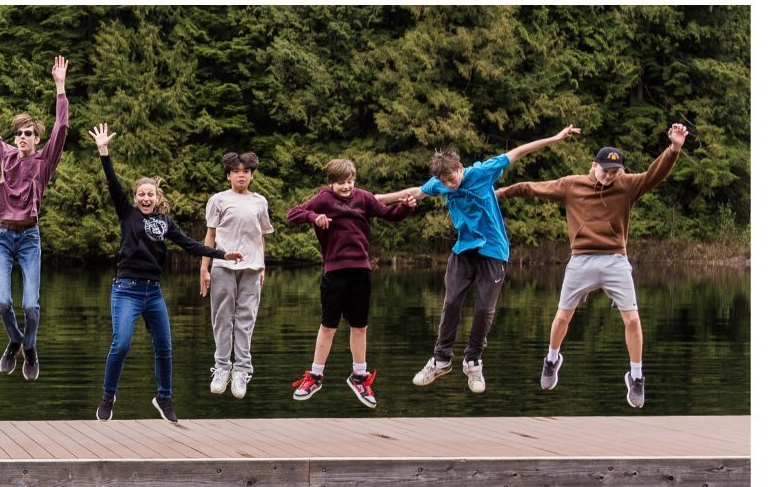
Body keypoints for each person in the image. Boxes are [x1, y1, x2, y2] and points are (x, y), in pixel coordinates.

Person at [376, 124, 582, 393]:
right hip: (463, 250)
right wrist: (376, 199)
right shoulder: (439, 184)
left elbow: (518, 152)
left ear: (460, 167)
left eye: (452, 178)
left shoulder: (482, 172)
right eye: (445, 182)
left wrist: (555, 137)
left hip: (494, 251)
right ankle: (441, 360)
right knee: (451, 303)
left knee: (484, 309)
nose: (449, 185)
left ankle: (473, 361)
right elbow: (416, 192)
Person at [497, 123, 689, 408]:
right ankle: (551, 359)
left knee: (633, 319)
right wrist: (500, 194)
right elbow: (533, 188)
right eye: (605, 171)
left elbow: (654, 175)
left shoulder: (627, 185)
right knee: (563, 317)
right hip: (581, 260)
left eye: (615, 172)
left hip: (615, 260)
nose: (610, 177)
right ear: (593, 166)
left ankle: (636, 376)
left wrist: (673, 149)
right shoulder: (572, 185)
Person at [88, 123, 239, 423]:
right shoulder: (127, 213)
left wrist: (222, 254)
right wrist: (104, 151)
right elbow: (112, 182)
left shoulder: (166, 222)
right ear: (135, 198)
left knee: (165, 346)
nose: (146, 199)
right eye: (141, 195)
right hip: (126, 289)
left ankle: (164, 397)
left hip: (153, 291)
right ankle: (108, 396)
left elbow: (191, 245)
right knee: (121, 344)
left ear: (157, 198)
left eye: (151, 195)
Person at [0, 54, 68, 381]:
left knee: (32, 306)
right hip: (3, 238)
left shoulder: (45, 161)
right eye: (18, 133)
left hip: (30, 238)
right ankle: (15, 341)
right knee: (4, 302)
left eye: (28, 133)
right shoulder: (5, 155)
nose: (21, 138)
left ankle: (30, 349)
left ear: (37, 138)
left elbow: (62, 127)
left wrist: (60, 86)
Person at [285, 159, 417, 409]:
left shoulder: (364, 198)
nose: (346, 187)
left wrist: (406, 208)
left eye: (350, 182)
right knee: (328, 326)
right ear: (331, 183)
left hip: (361, 271)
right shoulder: (324, 199)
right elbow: (293, 214)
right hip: (335, 272)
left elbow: (389, 214)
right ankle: (314, 376)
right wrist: (315, 217)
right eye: (341, 183)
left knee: (360, 327)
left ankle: (359, 376)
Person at [200, 151, 274, 398]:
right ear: (229, 175)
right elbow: (210, 236)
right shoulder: (218, 200)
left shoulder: (259, 202)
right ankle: (222, 367)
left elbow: (260, 237)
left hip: (252, 268)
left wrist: (262, 267)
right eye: (236, 171)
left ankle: (242, 369)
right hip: (222, 265)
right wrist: (205, 268)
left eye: (246, 171)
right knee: (222, 318)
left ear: (251, 175)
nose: (241, 175)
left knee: (246, 319)